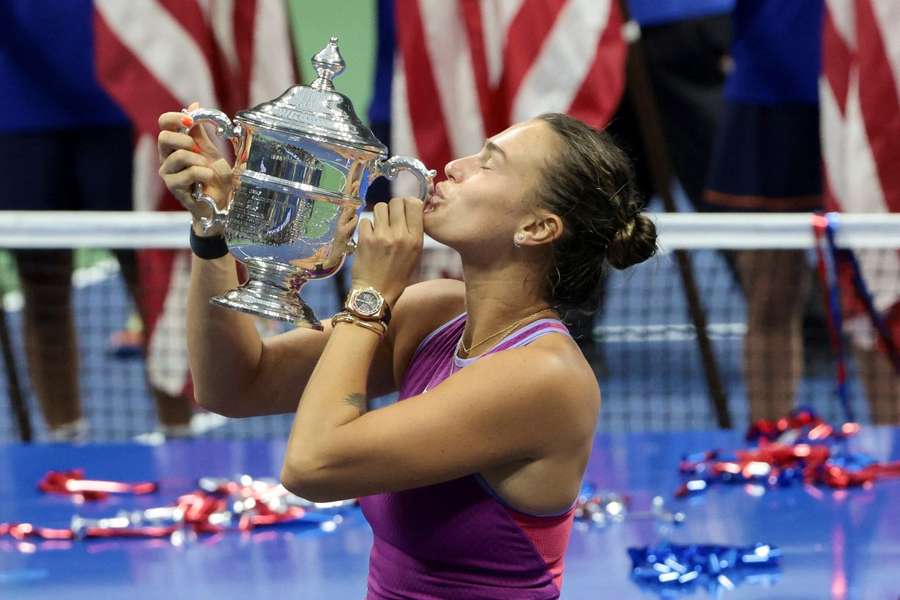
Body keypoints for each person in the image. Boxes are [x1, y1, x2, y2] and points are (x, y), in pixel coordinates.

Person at [158, 108, 656, 597]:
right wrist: (213, 228)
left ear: (536, 229)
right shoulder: (431, 314)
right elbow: (234, 386)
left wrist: (370, 295)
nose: (454, 166)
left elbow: (311, 466)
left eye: (488, 163)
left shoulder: (544, 377)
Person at [0, 0, 194, 440]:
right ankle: (63, 440)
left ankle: (182, 434)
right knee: (42, 287)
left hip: (119, 102)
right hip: (17, 113)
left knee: (150, 277)